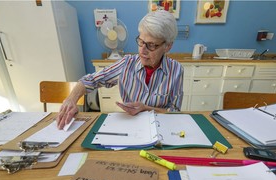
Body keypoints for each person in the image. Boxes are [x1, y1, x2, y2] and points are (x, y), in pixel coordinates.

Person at [56, 10, 184, 129]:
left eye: (151, 45)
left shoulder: (177, 70)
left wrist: (145, 108)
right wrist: (71, 99)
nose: (142, 50)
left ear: (167, 46)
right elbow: (90, 80)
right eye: (141, 41)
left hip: (162, 129)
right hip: (132, 128)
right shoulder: (127, 64)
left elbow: (174, 112)